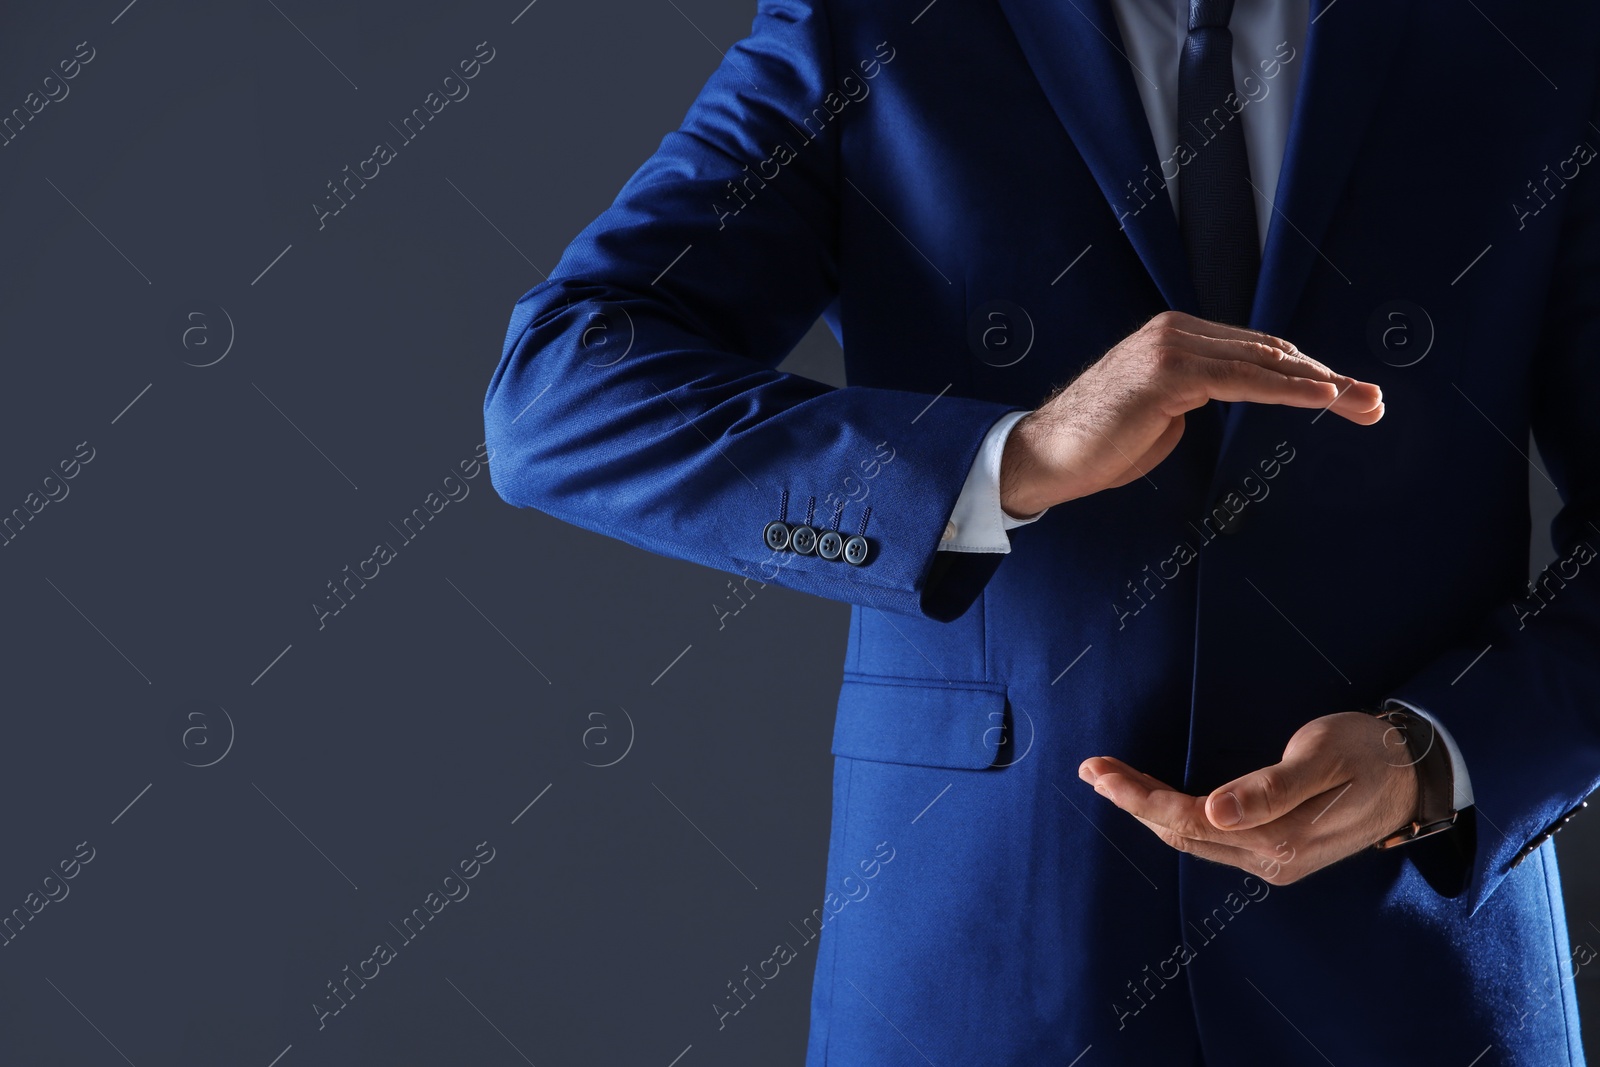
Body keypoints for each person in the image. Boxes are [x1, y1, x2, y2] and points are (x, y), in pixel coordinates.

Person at [483, 0, 1600, 1061]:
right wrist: (1013, 457)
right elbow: (558, 393)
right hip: (981, 971)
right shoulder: (870, 23)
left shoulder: (1540, 30)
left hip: (1413, 984)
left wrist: (1429, 761)